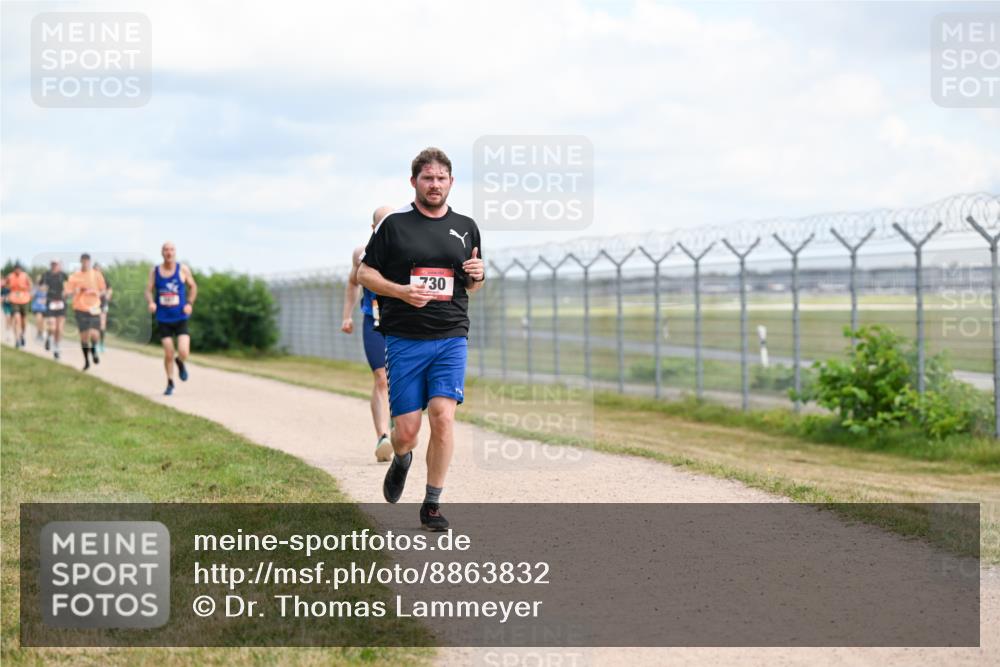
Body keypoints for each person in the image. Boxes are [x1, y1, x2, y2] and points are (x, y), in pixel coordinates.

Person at [357, 147, 485, 531]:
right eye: (427, 178)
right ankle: (401, 459)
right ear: (413, 181)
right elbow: (365, 274)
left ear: (451, 182)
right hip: (405, 339)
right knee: (407, 433)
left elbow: (471, 285)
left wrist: (478, 275)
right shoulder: (394, 225)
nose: (434, 184)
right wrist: (401, 291)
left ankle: (432, 503)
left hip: (451, 335)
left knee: (443, 417)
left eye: (441, 178)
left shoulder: (466, 226)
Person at [343, 205, 396, 462]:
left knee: (402, 380)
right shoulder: (361, 254)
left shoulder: (410, 251)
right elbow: (353, 282)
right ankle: (383, 437)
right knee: (381, 378)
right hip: (373, 321)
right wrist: (347, 315)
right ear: (374, 227)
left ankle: (398, 422)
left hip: (402, 324)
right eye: (383, 223)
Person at [145, 242, 197, 395]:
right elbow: (148, 290)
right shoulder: (155, 271)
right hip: (163, 318)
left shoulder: (182, 269)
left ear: (175, 252)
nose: (169, 252)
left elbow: (193, 287)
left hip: (180, 317)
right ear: (162, 253)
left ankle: (180, 361)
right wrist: (151, 302)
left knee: (184, 351)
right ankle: (170, 382)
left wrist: (189, 303)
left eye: (171, 250)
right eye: (166, 250)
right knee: (168, 352)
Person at [65, 253, 106, 370]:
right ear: (81, 262)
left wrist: (98, 293)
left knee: (95, 334)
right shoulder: (75, 276)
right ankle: (87, 361)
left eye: (87, 261)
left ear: (90, 262)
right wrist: (76, 290)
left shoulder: (97, 274)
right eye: (83, 261)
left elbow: (103, 290)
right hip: (80, 308)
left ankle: (94, 351)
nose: (85, 263)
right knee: (84, 337)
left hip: (94, 307)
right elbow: (67, 292)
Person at [40, 259, 69, 360]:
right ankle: (49, 338)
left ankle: (56, 348)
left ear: (59, 265)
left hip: (61, 303)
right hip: (50, 302)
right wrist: (44, 289)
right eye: (52, 264)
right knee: (52, 327)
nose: (54, 266)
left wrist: (66, 292)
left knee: (59, 329)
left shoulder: (64, 275)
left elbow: (69, 287)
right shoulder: (46, 275)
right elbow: (41, 286)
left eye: (56, 264)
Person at [3, 263, 33, 349]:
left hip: (24, 300)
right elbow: (4, 284)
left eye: (19, 268)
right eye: (16, 268)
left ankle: (22, 335)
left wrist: (24, 288)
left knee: (23, 322)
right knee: (17, 319)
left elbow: (31, 285)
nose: (17, 270)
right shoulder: (10, 276)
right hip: (14, 300)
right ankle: (17, 340)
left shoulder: (25, 276)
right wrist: (9, 287)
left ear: (21, 269)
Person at [94, 262, 113, 353]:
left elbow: (110, 289)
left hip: (103, 304)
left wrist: (108, 295)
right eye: (95, 270)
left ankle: (101, 343)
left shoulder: (105, 280)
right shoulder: (91, 280)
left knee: (102, 325)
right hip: (93, 305)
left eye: (99, 270)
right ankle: (95, 343)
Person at [31, 276, 47, 342]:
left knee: (43, 322)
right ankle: (39, 333)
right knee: (38, 320)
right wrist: (36, 289)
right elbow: (31, 296)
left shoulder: (47, 288)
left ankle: (42, 333)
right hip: (37, 308)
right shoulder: (35, 288)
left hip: (45, 308)